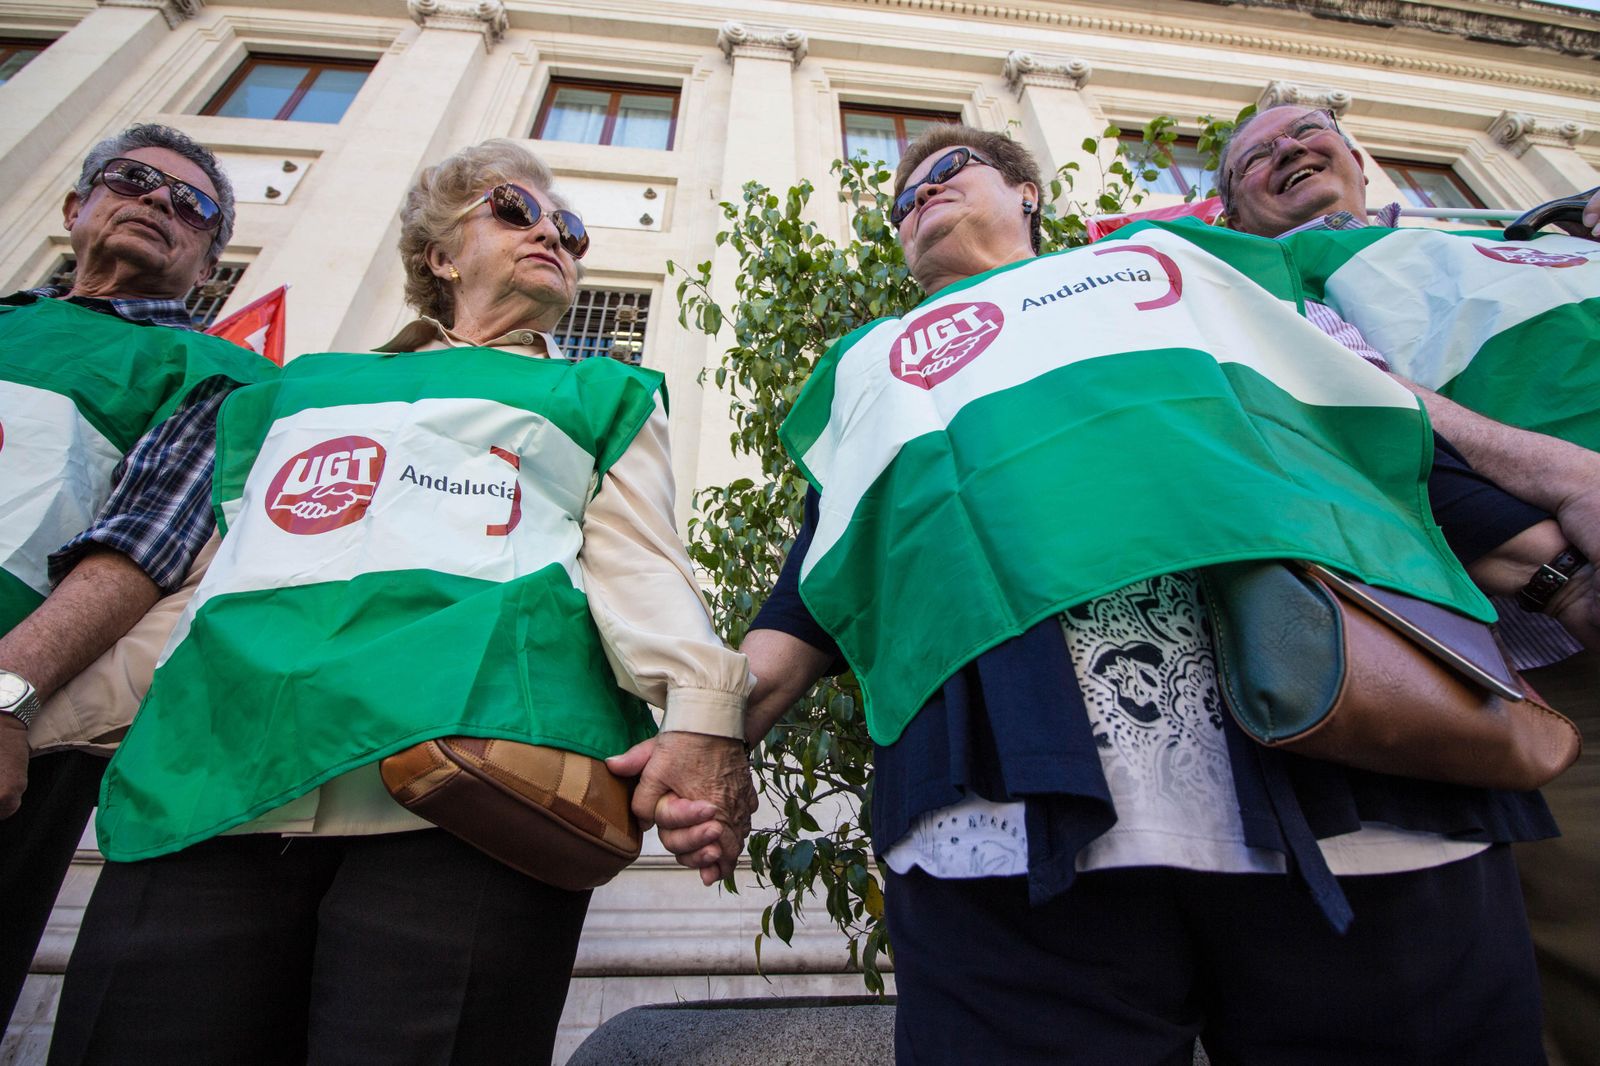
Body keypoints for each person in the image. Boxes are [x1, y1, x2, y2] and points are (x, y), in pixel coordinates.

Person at [649, 123, 1599, 1063]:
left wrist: (1557, 573)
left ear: (1028, 193)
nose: (921, 194)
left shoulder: (1171, 263)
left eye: (948, 171)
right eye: (902, 199)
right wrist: (717, 736)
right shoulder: (867, 364)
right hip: (1001, 825)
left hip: (1346, 775)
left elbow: (1359, 427)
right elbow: (818, 583)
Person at [46, 140, 754, 1066]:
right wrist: (34, 712)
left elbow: (643, 567)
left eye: (568, 229)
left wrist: (707, 715)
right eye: (514, 210)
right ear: (441, 256)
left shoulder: (599, 390)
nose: (551, 233)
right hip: (206, 792)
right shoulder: (286, 391)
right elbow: (200, 586)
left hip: (472, 799)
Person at [1219, 105, 1600, 1065]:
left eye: (1309, 131)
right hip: (1539, 660)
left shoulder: (1501, 239)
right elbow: (1350, 402)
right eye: (1255, 156)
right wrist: (1560, 540)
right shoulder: (1259, 282)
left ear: (1359, 156)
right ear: (1229, 211)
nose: (1289, 150)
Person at [0, 124, 272, 1025]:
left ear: (205, 267)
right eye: (133, 181)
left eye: (190, 206)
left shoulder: (215, 368)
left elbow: (147, 544)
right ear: (77, 206)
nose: (159, 202)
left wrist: (10, 696)